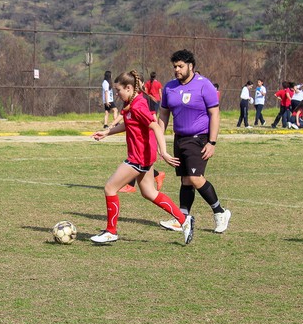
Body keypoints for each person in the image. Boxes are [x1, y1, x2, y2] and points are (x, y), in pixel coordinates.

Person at [91, 70, 193, 245]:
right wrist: (107, 132)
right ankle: (184, 221)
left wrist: (164, 152)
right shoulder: (130, 103)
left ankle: (111, 232)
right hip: (142, 156)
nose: (117, 94)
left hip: (138, 157)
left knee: (110, 188)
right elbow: (128, 124)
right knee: (149, 193)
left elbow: (155, 127)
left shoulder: (138, 105)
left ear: (129, 88)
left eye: (118, 90)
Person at [157, 49, 231, 234]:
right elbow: (163, 115)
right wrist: (159, 140)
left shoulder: (204, 85)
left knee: (195, 178)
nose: (177, 70)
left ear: (191, 66)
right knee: (185, 180)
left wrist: (212, 142)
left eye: (180, 66)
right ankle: (182, 219)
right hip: (179, 139)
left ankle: (220, 212)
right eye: (175, 66)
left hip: (199, 138)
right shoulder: (169, 87)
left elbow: (215, 114)